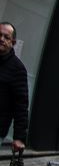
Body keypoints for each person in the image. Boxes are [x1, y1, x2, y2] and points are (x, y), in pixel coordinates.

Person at [0, 21, 29, 153]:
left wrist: (19, 137)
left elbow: (21, 105)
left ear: (13, 42)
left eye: (6, 37)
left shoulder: (17, 69)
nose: (1, 39)